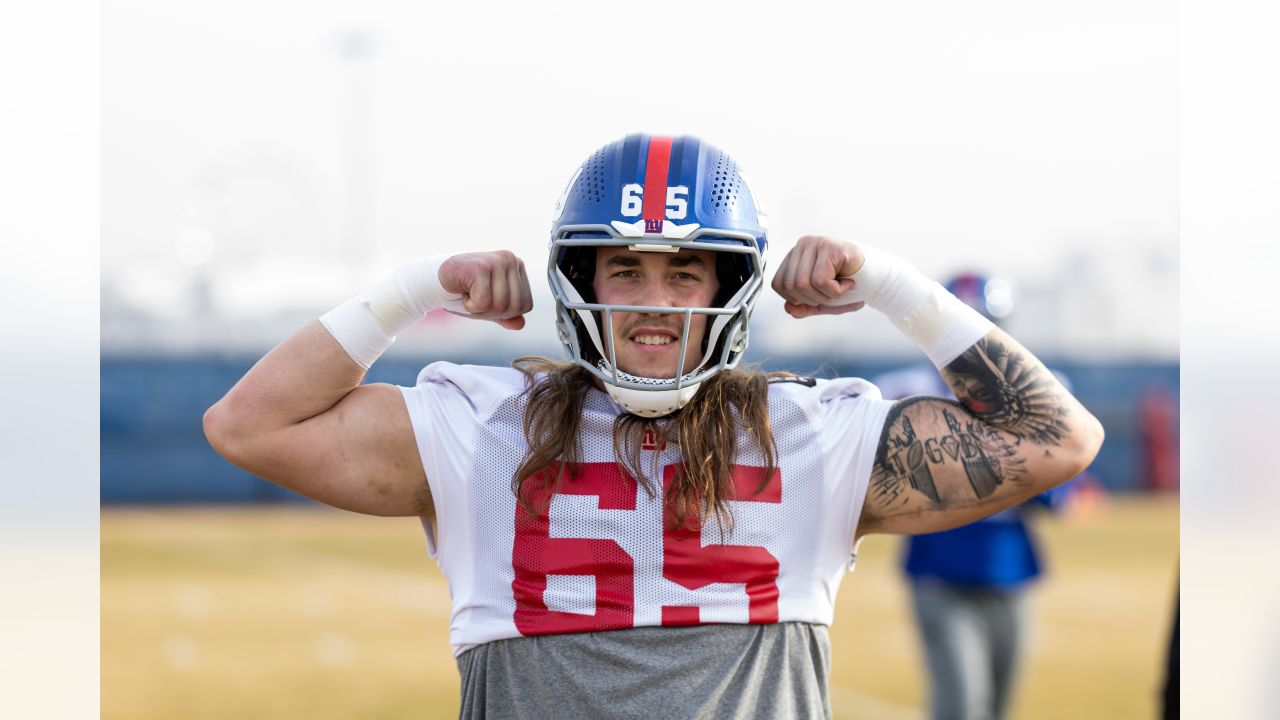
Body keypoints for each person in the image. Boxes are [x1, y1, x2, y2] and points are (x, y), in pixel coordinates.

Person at [203, 133, 1104, 719]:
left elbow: (1059, 438)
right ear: (582, 285)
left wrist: (889, 283)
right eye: (626, 272)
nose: (655, 307)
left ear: (730, 291)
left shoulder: (808, 432)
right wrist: (418, 287)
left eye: (686, 276)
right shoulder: (483, 426)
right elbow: (250, 426)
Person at [875, 272, 1101, 720]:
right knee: (961, 706)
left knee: (997, 707)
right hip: (940, 565)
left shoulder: (1041, 391)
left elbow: (1059, 494)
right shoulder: (905, 389)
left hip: (1009, 569)